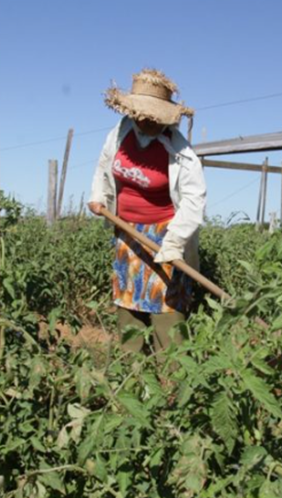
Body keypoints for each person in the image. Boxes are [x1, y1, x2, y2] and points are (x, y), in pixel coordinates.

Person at [88, 69, 207, 358]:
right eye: (142, 114)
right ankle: (132, 370)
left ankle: (174, 377)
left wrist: (174, 243)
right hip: (126, 231)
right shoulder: (120, 133)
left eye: (154, 116)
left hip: (166, 233)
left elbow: (194, 200)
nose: (146, 120)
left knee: (167, 305)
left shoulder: (181, 152)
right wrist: (98, 197)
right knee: (129, 302)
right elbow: (104, 165)